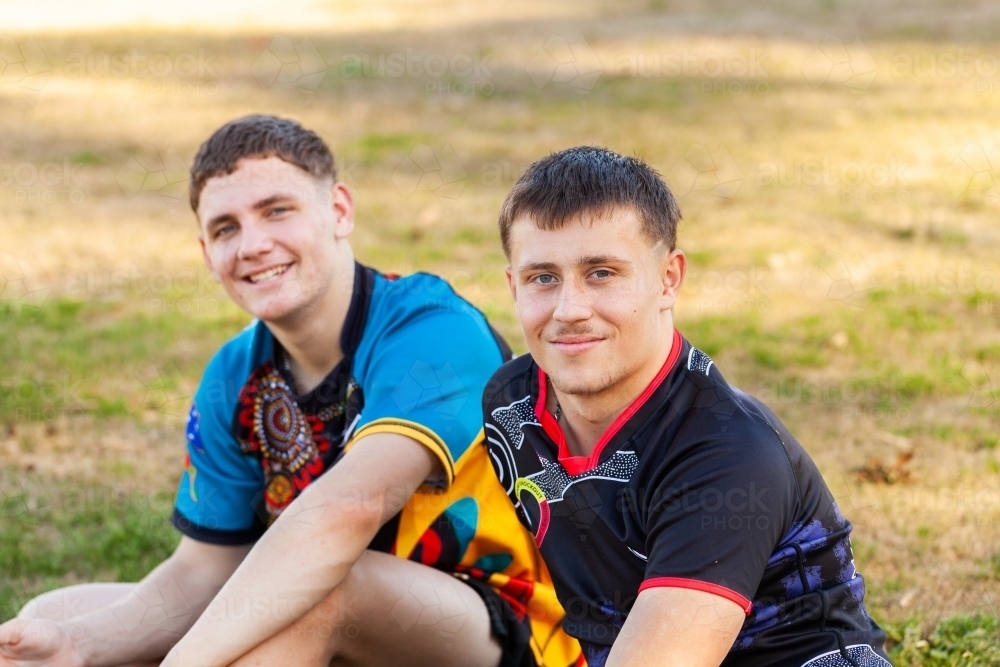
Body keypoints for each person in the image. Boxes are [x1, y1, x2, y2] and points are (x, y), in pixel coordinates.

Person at [0, 116, 579, 667]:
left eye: (276, 211)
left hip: (499, 620)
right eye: (225, 228)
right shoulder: (234, 374)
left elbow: (348, 511)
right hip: (344, 600)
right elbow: (204, 569)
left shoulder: (432, 328)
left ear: (338, 210)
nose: (252, 244)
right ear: (207, 255)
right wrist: (79, 644)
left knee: (323, 593)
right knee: (59, 615)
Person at [481, 146, 892, 667]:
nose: (570, 309)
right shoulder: (510, 403)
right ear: (513, 286)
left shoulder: (729, 451)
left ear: (668, 279)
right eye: (543, 277)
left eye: (602, 273)